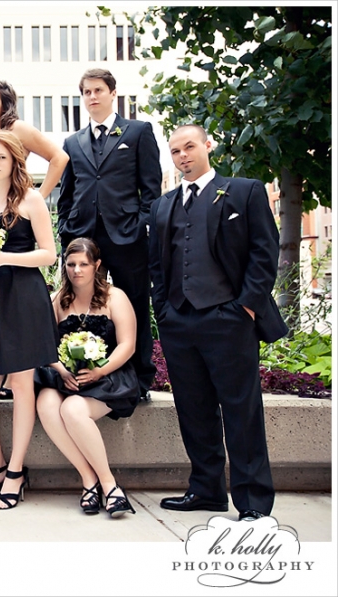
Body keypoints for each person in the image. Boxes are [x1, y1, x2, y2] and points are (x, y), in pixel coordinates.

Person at [149, 124, 287, 521]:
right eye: (175, 151)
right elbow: (157, 264)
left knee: (242, 411)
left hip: (229, 320)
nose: (183, 156)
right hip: (179, 322)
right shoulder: (162, 205)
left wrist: (245, 308)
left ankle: (253, 502)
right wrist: (164, 311)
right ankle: (206, 489)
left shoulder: (244, 191)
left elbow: (264, 252)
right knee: (194, 411)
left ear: (207, 146)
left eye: (189, 147)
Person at [0, 132, 59, 510]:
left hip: (24, 296)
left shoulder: (31, 199)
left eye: (2, 157)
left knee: (21, 383)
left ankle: (16, 472)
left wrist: (5, 259)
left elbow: (49, 254)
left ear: (16, 161)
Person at [57, 68, 161, 403]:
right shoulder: (73, 142)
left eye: (98, 90)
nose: (92, 97)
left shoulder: (138, 132)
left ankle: (140, 380)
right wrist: (66, 228)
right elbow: (66, 193)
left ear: (113, 93)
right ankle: (91, 373)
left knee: (135, 306)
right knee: (88, 309)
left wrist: (141, 225)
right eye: (86, 92)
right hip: (84, 239)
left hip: (128, 237)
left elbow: (151, 189)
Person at [35, 238, 138, 517]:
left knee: (72, 409)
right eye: (71, 264)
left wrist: (99, 371)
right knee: (45, 403)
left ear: (96, 265)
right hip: (66, 376)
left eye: (83, 264)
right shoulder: (58, 300)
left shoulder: (115, 297)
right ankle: (88, 478)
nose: (77, 270)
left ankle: (109, 485)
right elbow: (44, 345)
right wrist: (61, 369)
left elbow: (128, 344)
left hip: (108, 376)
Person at [0, 79, 68, 232]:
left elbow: (59, 157)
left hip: (11, 214)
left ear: (5, 106)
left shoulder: (16, 129)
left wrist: (38, 198)